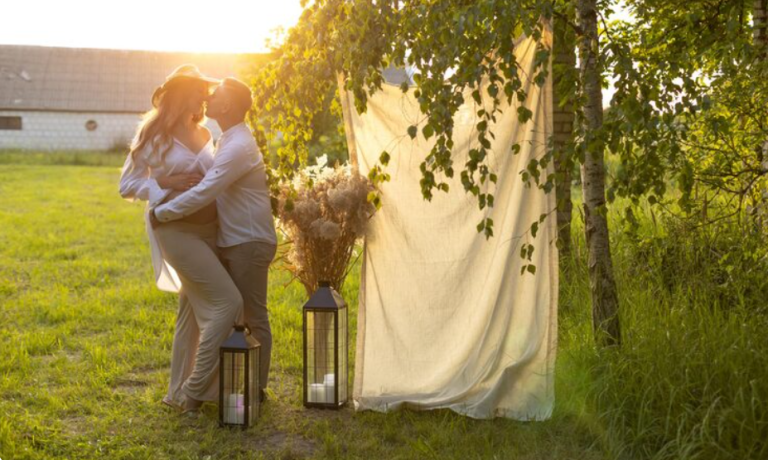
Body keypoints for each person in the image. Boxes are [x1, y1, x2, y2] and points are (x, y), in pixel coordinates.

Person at [119, 64, 243, 413]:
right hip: (175, 230)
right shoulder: (154, 134)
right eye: (199, 90)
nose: (205, 97)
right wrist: (162, 185)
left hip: (210, 229)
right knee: (227, 302)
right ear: (180, 93)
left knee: (189, 314)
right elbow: (126, 186)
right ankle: (195, 390)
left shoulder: (205, 134)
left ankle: (176, 391)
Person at [151, 77, 278, 404]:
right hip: (230, 240)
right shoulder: (228, 140)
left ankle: (254, 390)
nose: (208, 97)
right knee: (191, 308)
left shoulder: (238, 146)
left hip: (248, 242)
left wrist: (164, 213)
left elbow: (207, 190)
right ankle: (179, 390)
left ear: (228, 106)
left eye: (216, 94)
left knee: (251, 315)